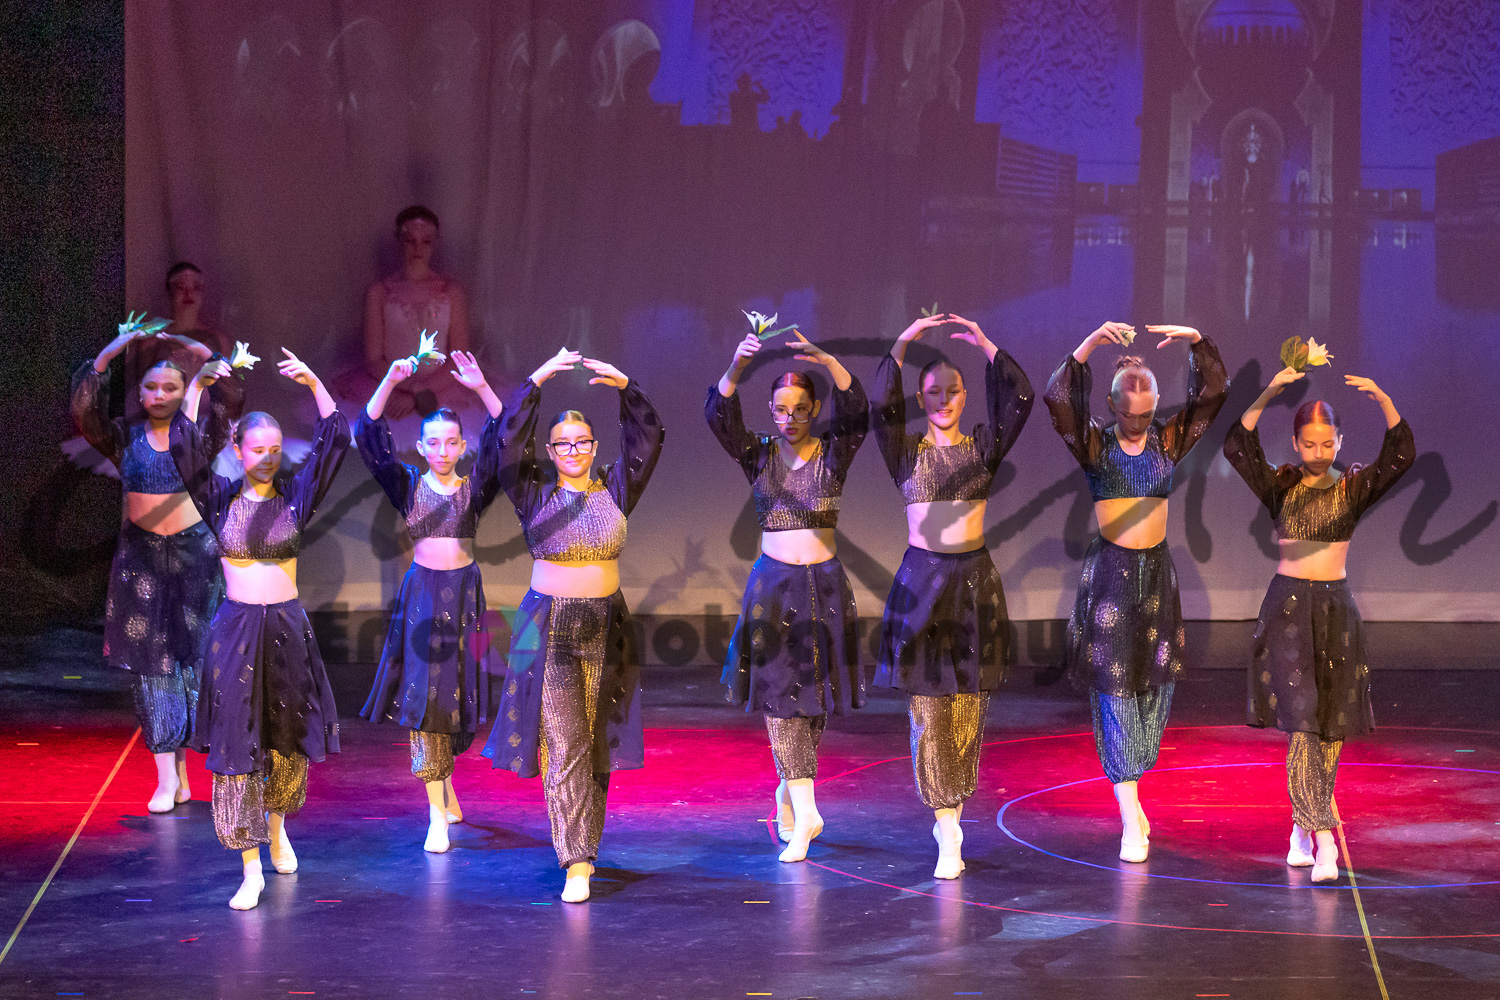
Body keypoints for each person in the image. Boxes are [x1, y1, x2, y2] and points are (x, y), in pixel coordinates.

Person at [481, 348, 664, 903]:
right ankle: (576, 861)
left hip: (608, 626)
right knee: (563, 744)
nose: (574, 451)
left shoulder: (616, 487)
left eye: (582, 442)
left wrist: (627, 387)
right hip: (549, 626)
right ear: (550, 451)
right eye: (563, 444)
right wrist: (536, 379)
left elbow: (649, 440)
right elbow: (507, 442)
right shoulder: (534, 493)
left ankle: (586, 845)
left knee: (597, 744)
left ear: (595, 447)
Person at [172, 350, 350, 910]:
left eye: (275, 450)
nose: (268, 459)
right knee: (237, 745)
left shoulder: (296, 499)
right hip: (236, 632)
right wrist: (198, 383)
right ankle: (249, 864)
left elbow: (335, 439)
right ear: (237, 449)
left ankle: (276, 829)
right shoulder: (219, 500)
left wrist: (316, 381)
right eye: (258, 450)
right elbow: (183, 444)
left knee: (286, 742)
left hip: (288, 632)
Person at [1043, 322, 1227, 862]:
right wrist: (1088, 344)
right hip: (1111, 579)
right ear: (1111, 405)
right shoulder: (1095, 445)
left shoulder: (1168, 442)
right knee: (1116, 692)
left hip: (1156, 580)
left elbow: (1212, 395)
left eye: (1147, 413)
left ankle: (1132, 790)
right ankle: (1128, 814)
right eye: (1129, 413)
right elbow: (1058, 400)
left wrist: (1197, 341)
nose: (1138, 421)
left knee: (1152, 692)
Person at [1224, 369, 1414, 882]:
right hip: (1287, 612)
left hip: (1336, 614)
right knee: (1303, 726)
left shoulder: (1353, 488)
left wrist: (1384, 398)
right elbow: (1238, 445)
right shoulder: (1280, 487)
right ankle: (1325, 840)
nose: (1318, 453)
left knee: (1329, 730)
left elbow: (1400, 455)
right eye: (1309, 444)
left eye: (1328, 444)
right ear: (1295, 443)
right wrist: (1270, 391)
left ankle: (1300, 829)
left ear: (1340, 442)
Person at [871, 312, 1033, 879]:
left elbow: (1021, 400)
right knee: (928, 710)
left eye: (953, 391)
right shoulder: (906, 453)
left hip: (973, 585)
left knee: (967, 710)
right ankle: (945, 822)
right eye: (933, 392)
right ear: (920, 398)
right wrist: (902, 342)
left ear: (966, 397)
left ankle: (952, 818)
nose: (943, 400)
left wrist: (987, 344)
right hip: (921, 586)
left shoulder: (983, 448)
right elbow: (879, 408)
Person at [707, 330, 868, 864]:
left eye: (800, 409)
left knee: (812, 705)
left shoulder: (833, 455)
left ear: (814, 409)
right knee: (781, 701)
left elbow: (857, 412)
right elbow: (719, 416)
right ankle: (807, 811)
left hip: (824, 589)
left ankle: (788, 790)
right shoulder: (758, 455)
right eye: (780, 409)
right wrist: (736, 364)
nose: (789, 418)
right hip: (773, 590)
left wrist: (829, 360)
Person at [71, 323, 230, 813]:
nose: (159, 394)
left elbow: (228, 395)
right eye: (151, 387)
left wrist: (198, 352)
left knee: (195, 663)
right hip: (141, 564)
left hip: (196, 560)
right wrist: (114, 349)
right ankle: (166, 777)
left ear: (183, 393)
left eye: (170, 387)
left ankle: (189, 771)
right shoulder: (125, 436)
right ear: (140, 393)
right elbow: (86, 412)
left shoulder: (197, 435)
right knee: (153, 667)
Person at [356, 351, 504, 853]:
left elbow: (507, 437)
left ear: (463, 446)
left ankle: (446, 786)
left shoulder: (475, 487)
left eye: (451, 442)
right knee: (426, 701)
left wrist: (481, 387)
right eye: (433, 443)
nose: (442, 451)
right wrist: (389, 379)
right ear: (419, 447)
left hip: (463, 597)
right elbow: (368, 435)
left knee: (455, 702)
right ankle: (435, 814)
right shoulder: (408, 485)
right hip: (422, 597)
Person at [358, 206, 472, 419]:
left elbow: (459, 358)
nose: (418, 248)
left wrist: (421, 394)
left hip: (443, 389)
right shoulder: (380, 292)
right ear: (399, 241)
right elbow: (373, 360)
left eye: (426, 241)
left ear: (435, 243)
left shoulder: (451, 291)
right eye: (410, 240)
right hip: (392, 389)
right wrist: (414, 388)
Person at [126, 262, 243, 425]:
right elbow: (143, 395)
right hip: (165, 428)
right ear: (169, 291)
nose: (189, 293)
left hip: (209, 428)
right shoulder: (152, 341)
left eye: (196, 287)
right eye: (180, 287)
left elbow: (232, 395)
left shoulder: (219, 340)